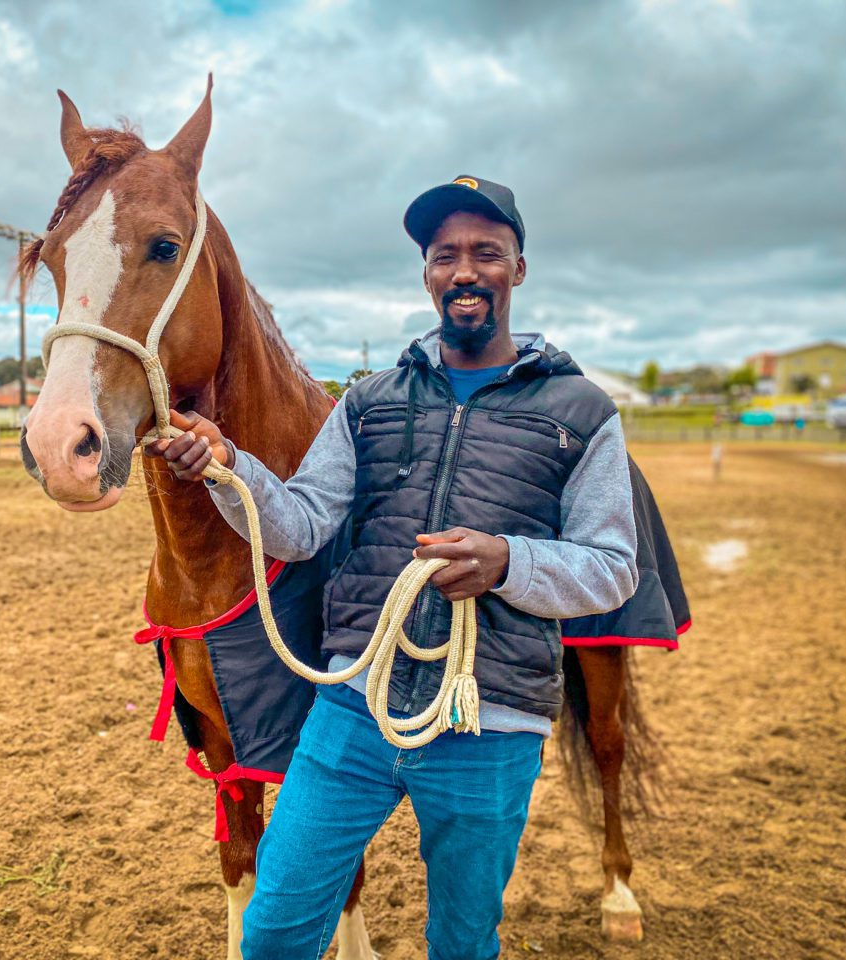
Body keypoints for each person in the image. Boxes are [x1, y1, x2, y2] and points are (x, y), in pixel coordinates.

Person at [145, 176, 639, 960]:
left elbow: (612, 570)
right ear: (428, 274)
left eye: (486, 252)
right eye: (446, 256)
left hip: (490, 720)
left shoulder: (580, 413)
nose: (464, 270)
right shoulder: (370, 400)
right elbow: (302, 525)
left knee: (461, 941)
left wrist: (507, 561)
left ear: (518, 269)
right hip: (353, 710)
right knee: (272, 931)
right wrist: (226, 465)